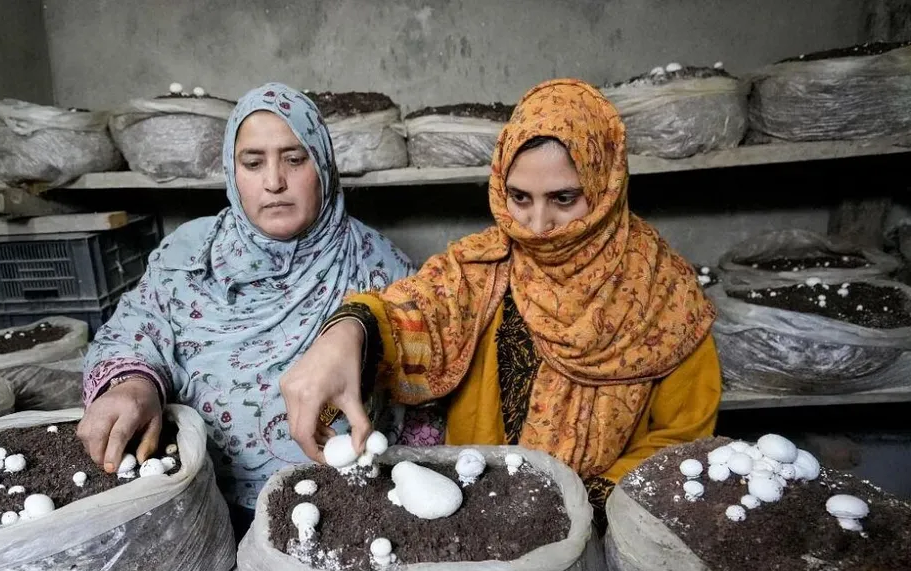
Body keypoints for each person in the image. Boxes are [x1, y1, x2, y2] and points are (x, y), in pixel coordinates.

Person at [281, 78, 721, 519]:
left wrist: (583, 505)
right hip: (477, 513)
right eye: (519, 198)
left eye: (564, 198)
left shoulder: (664, 292)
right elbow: (415, 312)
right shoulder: (480, 268)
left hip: (601, 527)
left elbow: (682, 436)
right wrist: (348, 332)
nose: (536, 224)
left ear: (605, 184)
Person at [77, 82, 417, 538]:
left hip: (342, 512)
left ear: (323, 163)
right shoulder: (189, 255)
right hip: (203, 509)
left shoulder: (377, 263)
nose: (274, 181)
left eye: (295, 159)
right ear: (231, 172)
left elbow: (424, 366)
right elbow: (135, 329)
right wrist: (134, 384)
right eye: (253, 163)